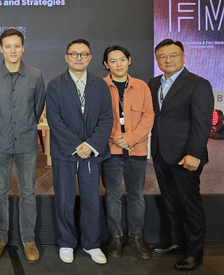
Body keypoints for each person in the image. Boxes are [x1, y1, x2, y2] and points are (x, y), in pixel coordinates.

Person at [45, 38, 112, 265]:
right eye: (74, 54)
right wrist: (77, 146)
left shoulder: (100, 85)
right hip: (65, 152)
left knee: (92, 199)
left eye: (83, 54)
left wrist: (91, 146)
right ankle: (66, 242)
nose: (79, 58)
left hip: (92, 153)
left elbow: (106, 119)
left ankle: (92, 243)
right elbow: (54, 120)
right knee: (64, 200)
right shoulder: (55, 84)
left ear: (90, 58)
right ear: (66, 57)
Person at [148, 39, 213, 272]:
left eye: (173, 55)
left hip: (186, 155)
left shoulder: (198, 84)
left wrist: (194, 153)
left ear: (183, 57)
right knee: (171, 202)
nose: (168, 60)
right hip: (160, 153)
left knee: (190, 204)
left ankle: (195, 253)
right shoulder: (154, 82)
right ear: (157, 60)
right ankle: (177, 243)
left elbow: (202, 123)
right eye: (162, 56)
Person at [0, 29, 45, 263]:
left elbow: (37, 108)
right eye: (8, 46)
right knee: (0, 192)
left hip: (27, 142)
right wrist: (2, 127)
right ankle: (0, 238)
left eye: (17, 46)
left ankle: (28, 239)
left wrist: (23, 127)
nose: (13, 50)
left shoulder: (36, 76)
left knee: (28, 191)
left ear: (23, 47)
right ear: (1, 48)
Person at [101, 45, 154, 260]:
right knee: (113, 195)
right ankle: (115, 237)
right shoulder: (100, 86)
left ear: (129, 60)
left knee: (136, 196)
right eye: (113, 61)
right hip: (111, 150)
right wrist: (116, 138)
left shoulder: (142, 86)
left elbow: (148, 117)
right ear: (106, 64)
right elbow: (99, 118)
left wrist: (129, 139)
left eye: (122, 59)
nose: (118, 64)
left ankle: (136, 237)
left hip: (136, 149)